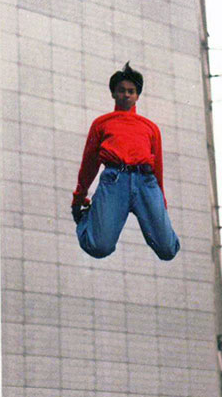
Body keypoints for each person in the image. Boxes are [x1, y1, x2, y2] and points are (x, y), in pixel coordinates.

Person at [71, 62, 180, 260]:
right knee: (99, 247)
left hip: (146, 183)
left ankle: (160, 226)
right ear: (113, 93)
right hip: (115, 181)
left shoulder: (150, 127)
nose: (126, 94)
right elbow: (89, 164)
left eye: (131, 91)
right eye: (121, 90)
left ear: (138, 95)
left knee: (167, 249)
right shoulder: (102, 124)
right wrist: (79, 198)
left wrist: (161, 200)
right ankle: (89, 218)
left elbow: (158, 167)